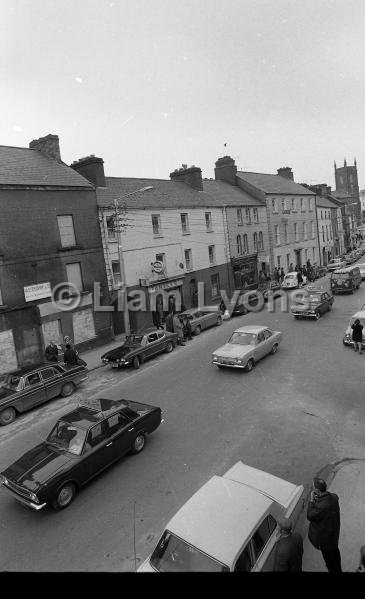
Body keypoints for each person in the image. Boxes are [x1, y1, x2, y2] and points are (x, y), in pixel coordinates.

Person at [307, 477, 342, 573]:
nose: (312, 489)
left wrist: (311, 501)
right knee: (335, 555)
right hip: (334, 535)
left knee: (330, 561)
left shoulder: (321, 507)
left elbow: (310, 516)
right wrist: (319, 499)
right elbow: (329, 501)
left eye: (313, 487)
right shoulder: (334, 497)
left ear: (317, 490)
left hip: (326, 540)